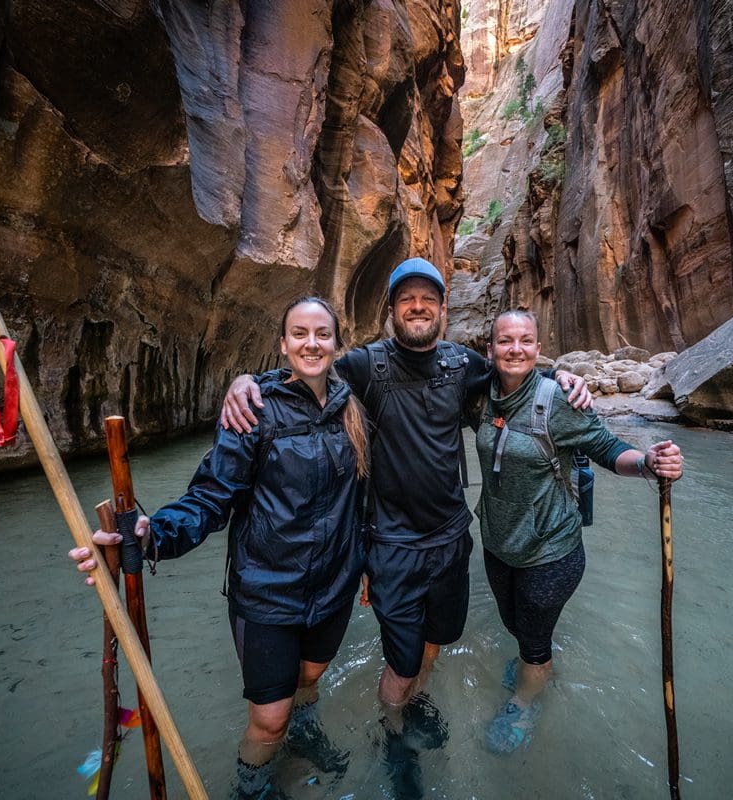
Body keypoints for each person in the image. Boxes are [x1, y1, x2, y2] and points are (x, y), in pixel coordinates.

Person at [219, 258, 591, 798]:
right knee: (401, 658)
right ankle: (394, 737)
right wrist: (246, 382)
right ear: (392, 310)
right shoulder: (368, 365)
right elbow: (309, 371)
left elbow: (517, 373)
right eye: (406, 300)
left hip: (450, 539)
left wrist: (565, 377)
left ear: (442, 309)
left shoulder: (462, 364)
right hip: (390, 545)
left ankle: (410, 705)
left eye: (428, 299)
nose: (418, 307)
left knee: (436, 642)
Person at [70, 297, 369, 799]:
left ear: (338, 344)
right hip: (268, 592)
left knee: (309, 679)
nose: (311, 343)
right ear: (283, 344)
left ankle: (305, 733)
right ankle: (251, 790)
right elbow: (210, 498)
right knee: (268, 721)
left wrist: (364, 567)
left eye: (322, 333)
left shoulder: (350, 407)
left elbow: (360, 498)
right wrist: (151, 535)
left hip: (334, 586)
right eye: (299, 333)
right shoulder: (252, 412)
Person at [475, 310, 684, 753]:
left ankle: (526, 702)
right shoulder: (481, 394)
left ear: (537, 346)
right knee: (515, 623)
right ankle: (536, 662)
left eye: (526, 341)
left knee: (532, 641)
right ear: (489, 348)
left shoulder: (559, 401)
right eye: (505, 341)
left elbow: (607, 448)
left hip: (550, 552)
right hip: (498, 544)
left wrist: (648, 462)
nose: (515, 349)